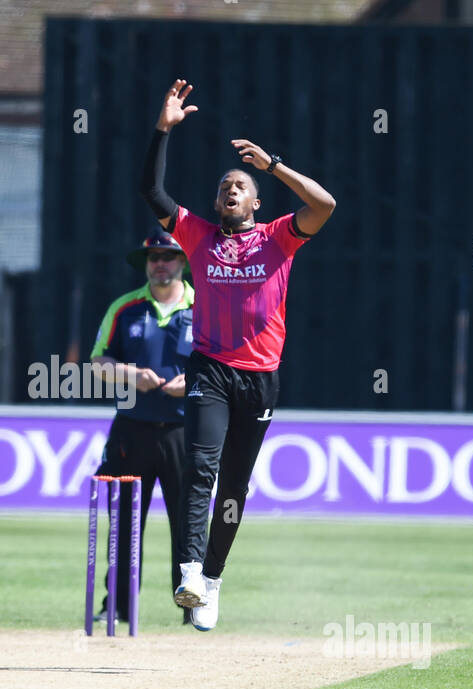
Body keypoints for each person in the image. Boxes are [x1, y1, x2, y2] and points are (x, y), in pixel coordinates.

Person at [139, 79, 336, 631]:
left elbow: (325, 204)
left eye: (240, 185)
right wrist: (163, 130)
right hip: (210, 369)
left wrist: (271, 164)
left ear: (255, 202)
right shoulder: (197, 236)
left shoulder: (279, 236)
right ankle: (190, 572)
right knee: (201, 467)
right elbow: (151, 192)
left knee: (234, 484)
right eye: (224, 184)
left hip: (261, 378)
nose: (230, 188)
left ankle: (215, 578)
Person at [89, 229, 194, 625]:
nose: (160, 264)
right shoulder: (126, 307)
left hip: (185, 433)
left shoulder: (203, 307)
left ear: (182, 262)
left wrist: (194, 381)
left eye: (168, 257)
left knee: (189, 524)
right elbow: (99, 362)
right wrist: (132, 375)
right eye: (154, 258)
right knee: (124, 523)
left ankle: (192, 607)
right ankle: (116, 606)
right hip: (131, 431)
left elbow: (224, 364)